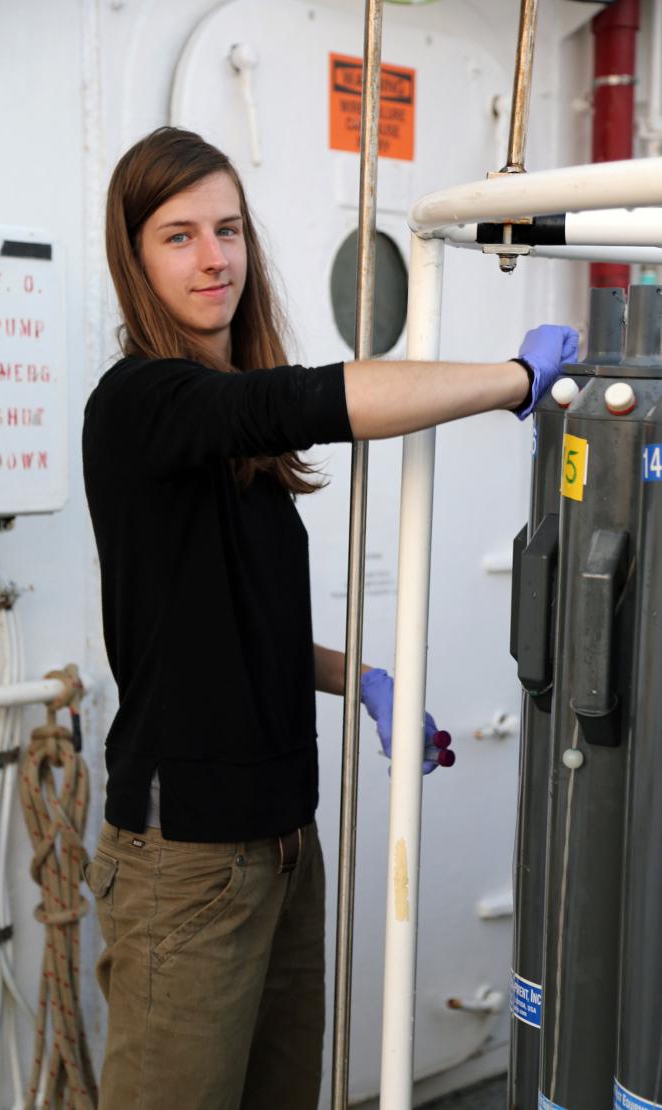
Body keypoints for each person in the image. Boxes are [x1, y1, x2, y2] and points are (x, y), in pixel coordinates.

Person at [81, 125, 578, 1110]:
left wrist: (358, 679)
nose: (213, 257)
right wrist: (510, 383)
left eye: (227, 229)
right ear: (133, 258)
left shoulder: (230, 431)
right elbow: (312, 401)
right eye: (177, 236)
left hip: (278, 845)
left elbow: (232, 625)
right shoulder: (141, 403)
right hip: (182, 863)